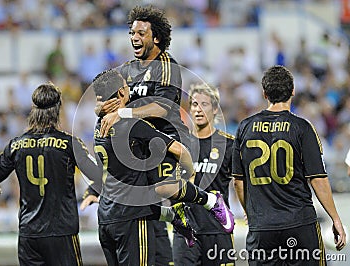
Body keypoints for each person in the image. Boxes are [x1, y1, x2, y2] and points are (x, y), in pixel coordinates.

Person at [96, 6, 233, 263]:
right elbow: (105, 95)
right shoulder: (126, 69)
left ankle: (210, 201)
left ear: (156, 37)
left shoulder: (167, 66)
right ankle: (176, 217)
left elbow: (163, 107)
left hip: (163, 140)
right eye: (132, 32)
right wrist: (101, 107)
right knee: (136, 202)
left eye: (141, 33)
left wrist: (124, 114)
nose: (134, 37)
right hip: (137, 146)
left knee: (164, 188)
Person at [82, 69, 233, 265]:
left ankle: (174, 214)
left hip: (106, 218)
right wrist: (189, 172)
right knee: (163, 186)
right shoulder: (134, 126)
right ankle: (210, 201)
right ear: (120, 93)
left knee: (152, 186)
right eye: (126, 87)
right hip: (132, 218)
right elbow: (180, 151)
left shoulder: (98, 125)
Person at [232, 65, 346, 265]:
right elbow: (317, 178)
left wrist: (250, 213)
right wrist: (335, 218)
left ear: (264, 93)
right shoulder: (302, 127)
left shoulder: (244, 128)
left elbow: (238, 182)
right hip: (299, 224)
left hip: (262, 227)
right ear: (293, 91)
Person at [0, 82, 101, 266]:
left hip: (29, 235)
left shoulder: (16, 145)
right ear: (58, 110)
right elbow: (97, 174)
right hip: (61, 233)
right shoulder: (69, 144)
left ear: (33, 110)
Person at [173, 84, 235, 265]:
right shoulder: (178, 145)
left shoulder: (228, 145)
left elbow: (240, 182)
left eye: (204, 104)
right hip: (186, 231)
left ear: (215, 109)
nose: (198, 110)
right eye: (194, 104)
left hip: (217, 230)